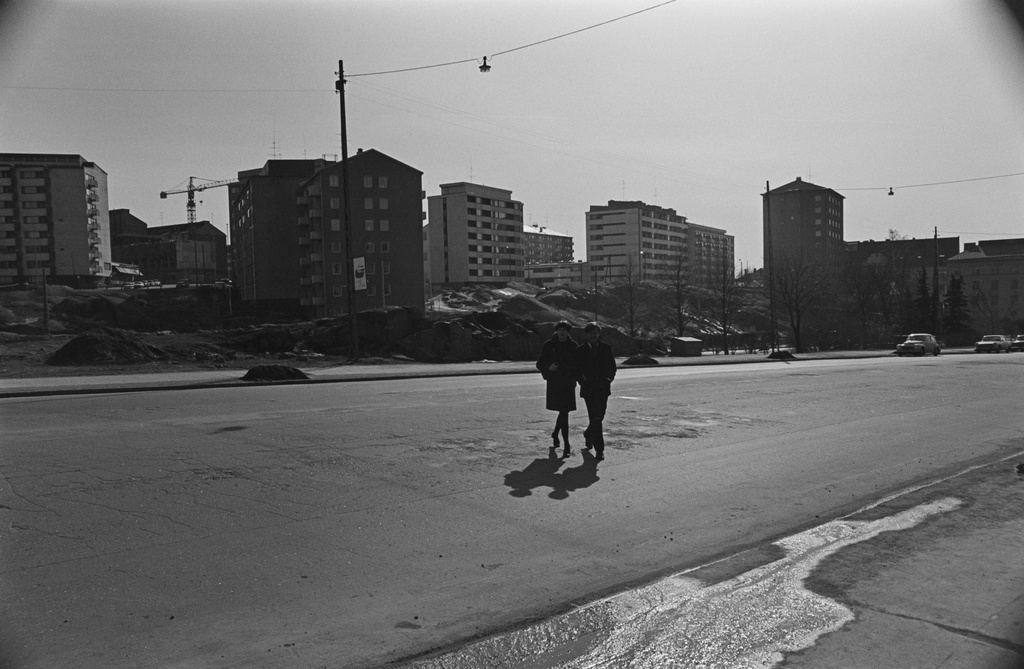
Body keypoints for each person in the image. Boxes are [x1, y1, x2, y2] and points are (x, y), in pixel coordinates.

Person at [536, 321, 578, 457]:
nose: (561, 332)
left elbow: (577, 364)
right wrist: (548, 367)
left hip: (568, 382)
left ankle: (560, 438)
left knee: (564, 412)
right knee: (563, 412)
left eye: (564, 330)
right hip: (555, 383)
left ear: (568, 331)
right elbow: (540, 363)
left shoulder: (573, 345)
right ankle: (565, 443)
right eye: (559, 329)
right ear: (556, 331)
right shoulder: (549, 345)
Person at [576, 322, 616, 462]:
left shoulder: (606, 348)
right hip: (589, 389)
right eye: (590, 333)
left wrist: (608, 379)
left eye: (595, 333)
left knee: (600, 415)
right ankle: (600, 450)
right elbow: (576, 369)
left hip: (603, 388)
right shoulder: (580, 350)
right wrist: (582, 380)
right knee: (596, 418)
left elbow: (612, 367)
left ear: (598, 334)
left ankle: (588, 433)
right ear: (586, 334)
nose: (593, 335)